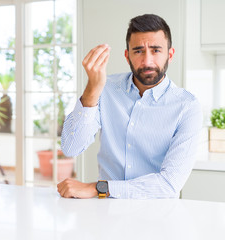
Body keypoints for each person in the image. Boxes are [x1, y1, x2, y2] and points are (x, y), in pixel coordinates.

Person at [57, 14, 203, 199]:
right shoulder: (105, 88)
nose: (147, 61)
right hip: (105, 211)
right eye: (138, 51)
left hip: (158, 216)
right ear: (127, 56)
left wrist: (99, 188)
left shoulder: (187, 107)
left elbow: (169, 184)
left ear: (170, 55)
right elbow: (71, 147)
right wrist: (92, 88)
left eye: (156, 50)